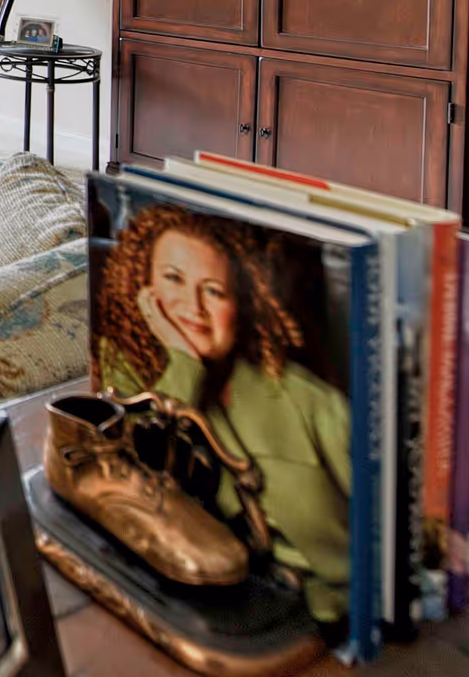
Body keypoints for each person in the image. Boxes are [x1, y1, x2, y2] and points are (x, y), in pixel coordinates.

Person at [96, 203, 353, 622]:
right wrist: (183, 362)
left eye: (214, 290)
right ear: (144, 288)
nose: (194, 306)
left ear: (242, 305)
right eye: (173, 278)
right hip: (185, 603)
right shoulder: (121, 374)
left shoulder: (309, 401)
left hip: (328, 621)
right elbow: (133, 486)